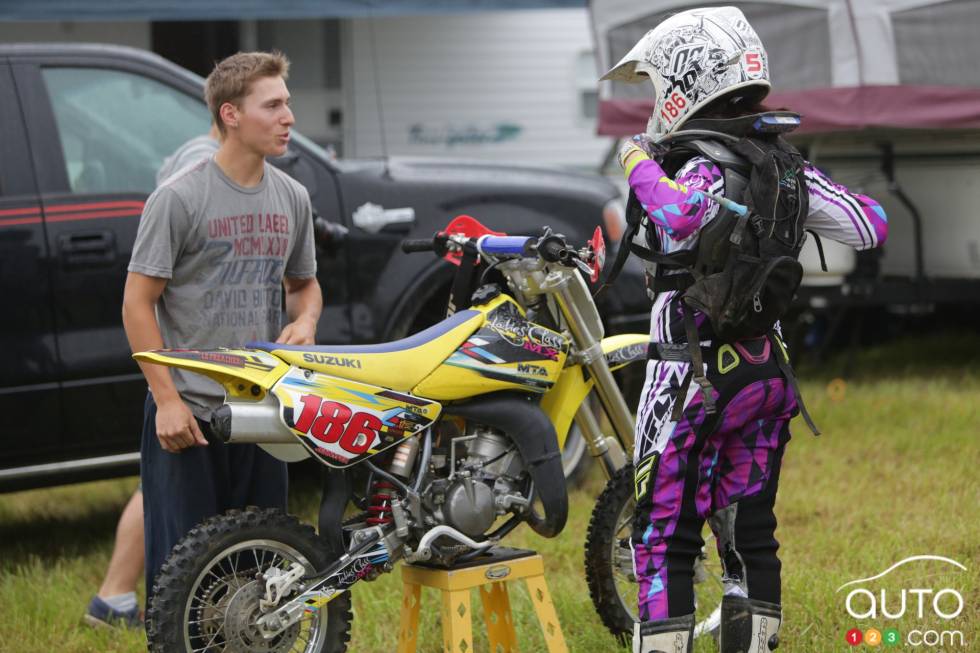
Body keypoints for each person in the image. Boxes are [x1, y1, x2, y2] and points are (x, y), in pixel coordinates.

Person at [601, 7, 888, 652]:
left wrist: (634, 160)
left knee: (664, 530)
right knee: (749, 524)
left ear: (685, 80)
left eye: (655, 84)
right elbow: (871, 225)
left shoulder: (697, 163)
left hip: (689, 373)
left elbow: (676, 219)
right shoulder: (784, 167)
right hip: (764, 373)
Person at [122, 50, 322, 606]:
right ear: (231, 114)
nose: (289, 117)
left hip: (262, 409)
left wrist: (305, 320)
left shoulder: (293, 197)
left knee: (261, 562)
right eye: (274, 105)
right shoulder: (178, 198)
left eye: (288, 103)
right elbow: (137, 304)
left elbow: (305, 284)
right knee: (182, 575)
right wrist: (166, 400)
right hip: (190, 410)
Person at [84, 128, 222, 629]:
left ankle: (113, 599)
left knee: (156, 485)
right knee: (168, 487)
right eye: (271, 104)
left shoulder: (191, 153)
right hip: (181, 361)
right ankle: (135, 602)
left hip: (171, 356)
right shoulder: (203, 171)